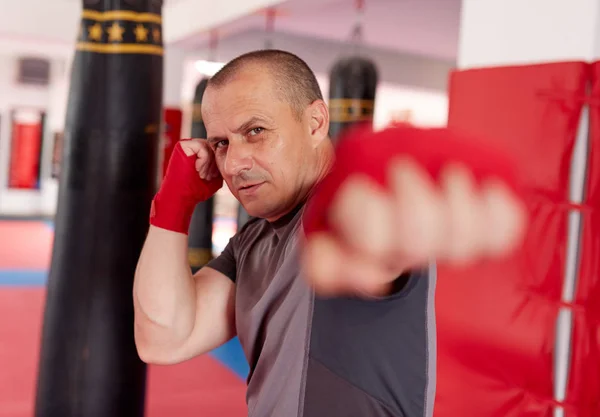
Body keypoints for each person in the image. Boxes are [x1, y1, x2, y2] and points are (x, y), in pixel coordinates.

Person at [133, 50, 526, 417]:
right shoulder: (250, 243)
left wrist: (395, 188)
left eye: (255, 131)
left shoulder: (332, 215)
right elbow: (162, 338)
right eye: (221, 142)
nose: (233, 162)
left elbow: (364, 229)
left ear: (316, 122)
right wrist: (172, 206)